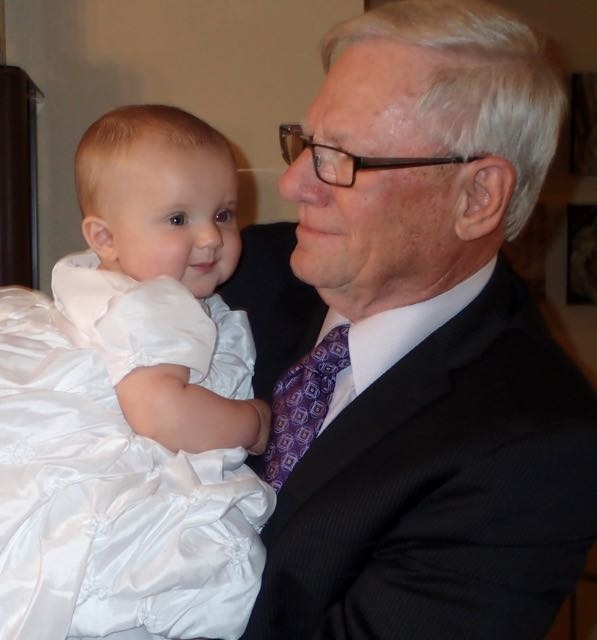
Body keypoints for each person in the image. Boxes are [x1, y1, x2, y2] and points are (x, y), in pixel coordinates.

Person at [218, 1, 597, 638]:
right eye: (306, 142)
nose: (293, 183)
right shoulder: (240, 270)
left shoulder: (534, 447)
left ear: (477, 197)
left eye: (340, 157)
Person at [0, 104, 275, 640]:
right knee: (186, 567)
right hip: (117, 471)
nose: (211, 237)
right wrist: (253, 423)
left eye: (223, 214)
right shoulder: (158, 303)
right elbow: (158, 411)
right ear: (104, 238)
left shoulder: (95, 279)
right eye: (178, 220)